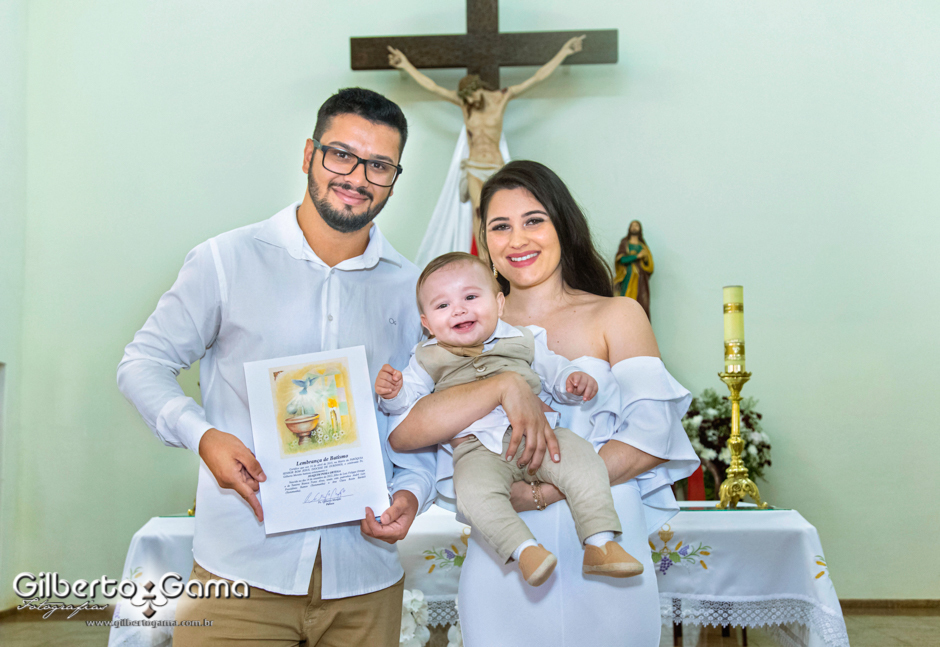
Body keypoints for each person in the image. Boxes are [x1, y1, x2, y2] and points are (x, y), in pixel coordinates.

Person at [117, 88, 435, 646]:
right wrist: (204, 437)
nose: (357, 177)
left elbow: (416, 416)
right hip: (241, 573)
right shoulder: (226, 261)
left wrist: (413, 491)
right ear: (309, 153)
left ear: (393, 178)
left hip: (365, 578)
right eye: (342, 155)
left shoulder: (412, 289)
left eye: (379, 165)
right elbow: (143, 363)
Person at [392, 161, 700, 646]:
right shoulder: (460, 323)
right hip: (505, 548)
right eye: (500, 226)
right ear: (485, 241)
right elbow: (407, 432)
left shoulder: (618, 314)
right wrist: (500, 388)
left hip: (604, 532)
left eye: (533, 220)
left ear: (562, 224)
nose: (517, 239)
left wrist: (544, 491)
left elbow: (651, 435)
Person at [376, 252, 643, 587]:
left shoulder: (523, 339)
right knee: (473, 493)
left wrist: (571, 381)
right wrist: (393, 393)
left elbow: (555, 371)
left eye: (471, 297)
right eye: (442, 305)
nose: (459, 310)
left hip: (540, 437)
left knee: (584, 461)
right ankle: (525, 551)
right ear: (427, 323)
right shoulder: (425, 357)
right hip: (476, 450)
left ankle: (600, 542)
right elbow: (406, 405)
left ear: (499, 303)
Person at [387, 36, 585, 258]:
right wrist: (405, 65)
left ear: (478, 89)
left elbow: (536, 78)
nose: (470, 102)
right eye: (466, 100)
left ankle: (499, 257)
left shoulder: (501, 98)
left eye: (472, 97)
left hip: (495, 167)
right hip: (474, 167)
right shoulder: (466, 104)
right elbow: (433, 87)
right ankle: (483, 261)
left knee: (500, 215)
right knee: (478, 212)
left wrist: (564, 52)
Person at [614, 219, 654, 320]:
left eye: (636, 225)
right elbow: (621, 259)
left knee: (642, 303)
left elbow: (649, 266)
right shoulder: (625, 243)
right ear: (629, 228)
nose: (634, 227)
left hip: (641, 280)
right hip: (628, 277)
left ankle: (641, 326)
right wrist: (637, 256)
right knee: (625, 303)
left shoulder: (643, 246)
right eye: (632, 225)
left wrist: (645, 258)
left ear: (640, 229)